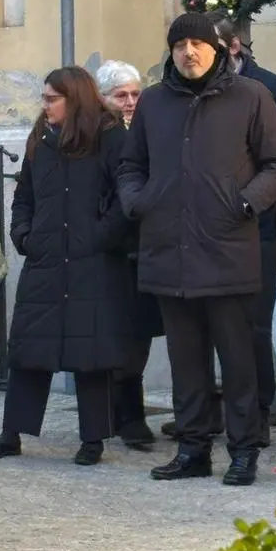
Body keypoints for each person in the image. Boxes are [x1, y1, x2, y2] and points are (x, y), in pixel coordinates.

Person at [118, 12, 276, 486]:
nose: (188, 52)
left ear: (217, 49)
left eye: (197, 43)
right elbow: (130, 166)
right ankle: (193, 448)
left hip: (228, 250)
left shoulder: (252, 97)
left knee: (237, 360)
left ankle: (243, 449)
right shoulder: (154, 103)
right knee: (185, 359)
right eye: (179, 45)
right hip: (168, 250)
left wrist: (243, 203)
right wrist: (139, 202)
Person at [0, 67, 133, 466]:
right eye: (44, 98)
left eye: (52, 99)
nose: (44, 105)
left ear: (75, 99)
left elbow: (125, 198)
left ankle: (93, 439)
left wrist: (100, 236)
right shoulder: (40, 139)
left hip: (92, 262)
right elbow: (24, 195)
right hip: (46, 259)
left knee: (90, 352)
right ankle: (12, 433)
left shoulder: (111, 138)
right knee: (31, 348)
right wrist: (24, 235)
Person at [213, 14, 276, 445]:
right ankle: (219, 410)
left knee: (253, 325)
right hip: (208, 230)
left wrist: (249, 200)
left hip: (258, 226)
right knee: (212, 325)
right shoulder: (199, 94)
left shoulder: (273, 88)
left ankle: (259, 413)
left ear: (232, 47)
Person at [96, 60, 163, 450]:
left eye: (136, 94)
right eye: (121, 95)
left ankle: (129, 414)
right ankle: (122, 414)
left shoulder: (145, 129)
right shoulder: (103, 135)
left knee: (138, 334)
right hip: (115, 247)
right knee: (119, 334)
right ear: (104, 98)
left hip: (143, 245)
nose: (130, 102)